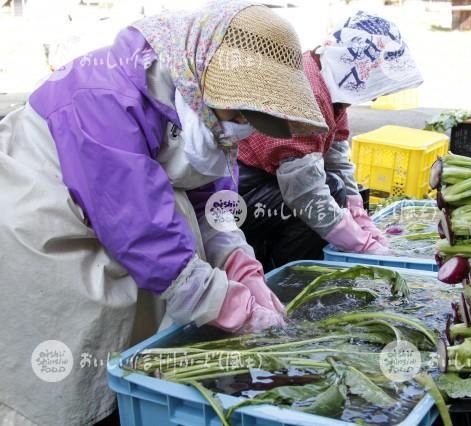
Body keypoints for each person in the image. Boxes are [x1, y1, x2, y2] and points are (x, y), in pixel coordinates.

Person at [0, 2, 328, 425]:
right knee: (82, 333)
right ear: (206, 80)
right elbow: (143, 233)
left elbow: (211, 199)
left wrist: (241, 265)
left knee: (144, 310)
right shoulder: (106, 98)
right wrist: (234, 308)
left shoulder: (193, 99)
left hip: (116, 210)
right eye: (241, 113)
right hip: (46, 212)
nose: (243, 126)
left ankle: (121, 400)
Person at [236, 11, 423, 270]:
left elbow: (336, 156)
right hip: (240, 191)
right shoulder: (305, 94)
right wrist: (362, 244)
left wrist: (359, 214)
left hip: (269, 180)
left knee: (334, 187)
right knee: (321, 200)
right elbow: (305, 195)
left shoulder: (329, 85)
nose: (375, 98)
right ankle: (285, 273)